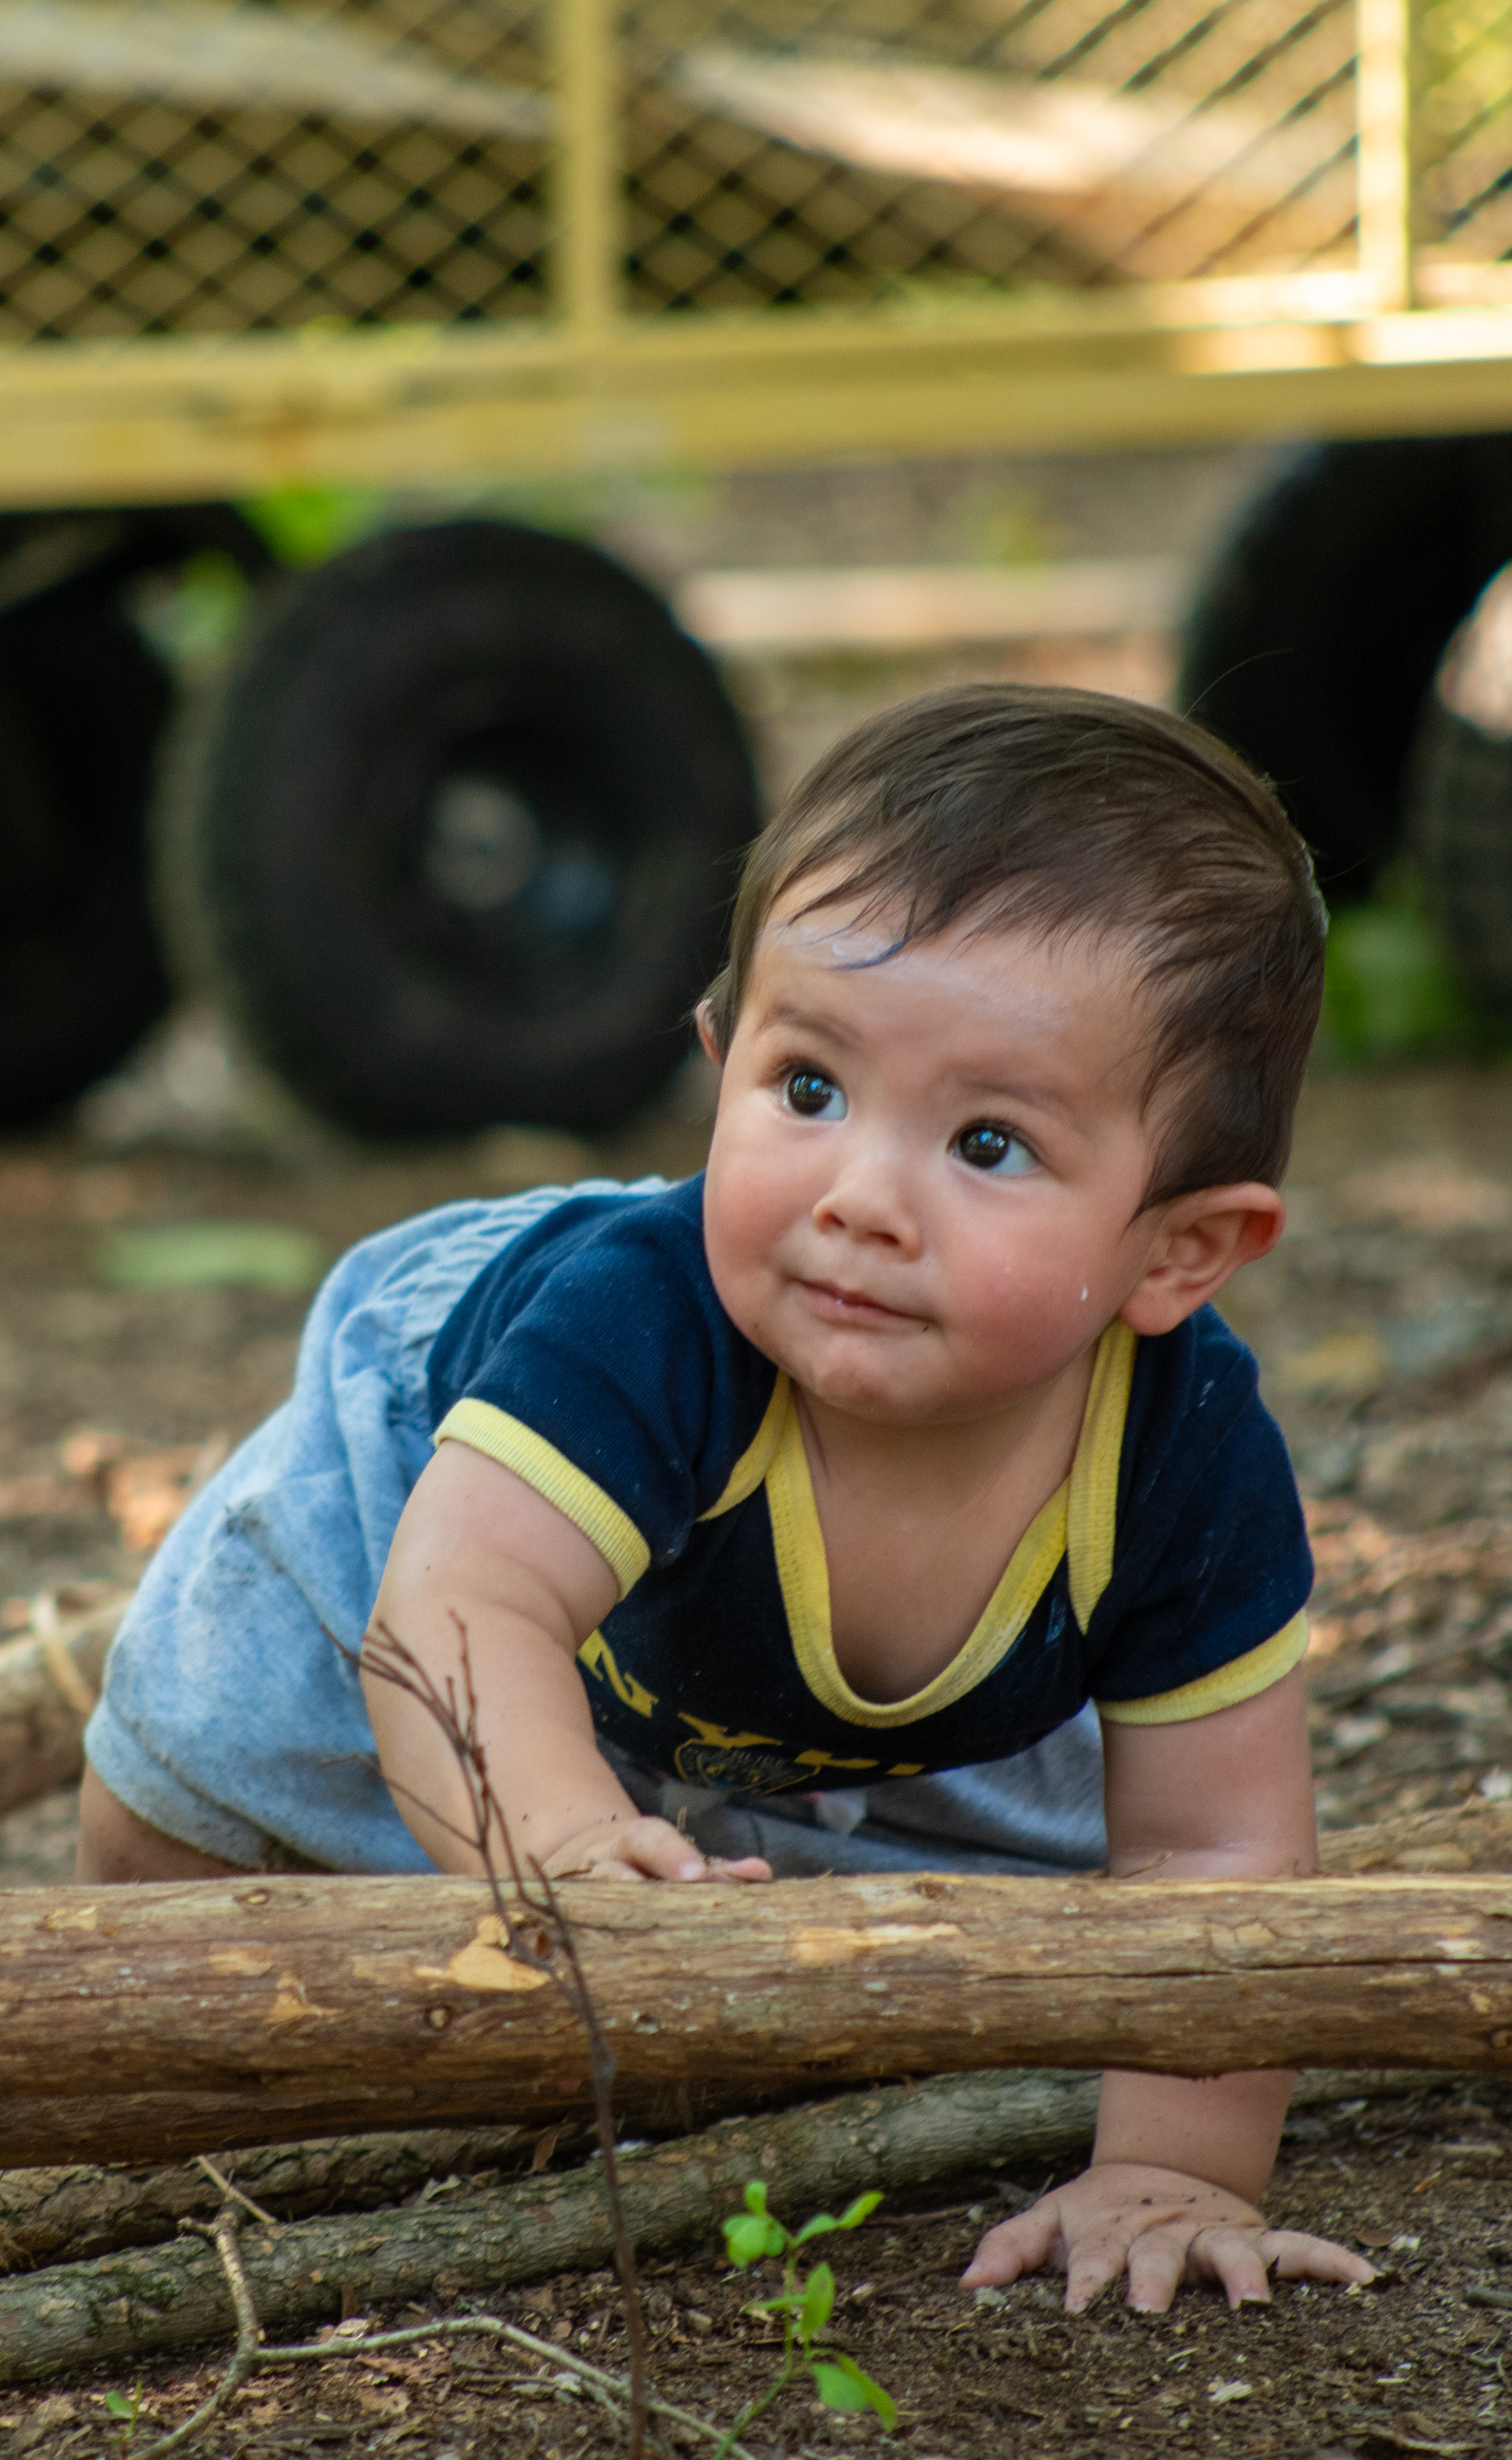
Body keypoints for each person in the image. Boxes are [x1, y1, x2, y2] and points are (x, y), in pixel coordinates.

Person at [77, 682, 1376, 2314]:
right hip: (443, 1507)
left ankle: (720, 1808)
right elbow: (458, 1611)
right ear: (720, 1059)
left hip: (810, 1671)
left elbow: (1213, 1854)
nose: (857, 1200)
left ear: (1180, 1248)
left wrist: (1176, 2169)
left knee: (1028, 1935)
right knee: (214, 1763)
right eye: (809, 1091)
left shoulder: (1181, 1460)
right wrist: (551, 1855)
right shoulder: (649, 1322)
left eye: (986, 1142)